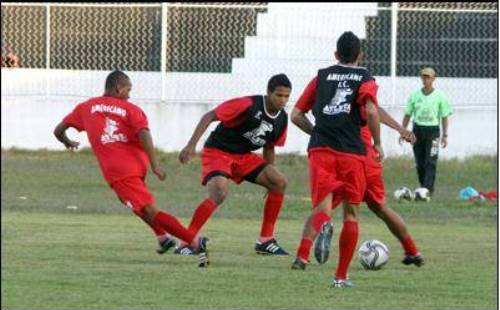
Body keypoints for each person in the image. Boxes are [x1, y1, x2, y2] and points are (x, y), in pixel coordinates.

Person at [53, 70, 209, 267]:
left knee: (150, 210)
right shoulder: (131, 109)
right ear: (118, 88)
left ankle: (194, 242)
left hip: (118, 170)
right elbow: (143, 133)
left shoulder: (85, 107)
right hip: (136, 164)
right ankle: (162, 237)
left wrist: (67, 142)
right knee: (131, 202)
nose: (129, 94)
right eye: (128, 89)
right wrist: (153, 165)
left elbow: (58, 130)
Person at [290, 31, 382, 288]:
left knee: (322, 208)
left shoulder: (321, 76)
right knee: (351, 214)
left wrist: (317, 132)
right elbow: (372, 110)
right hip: (352, 151)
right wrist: (378, 143)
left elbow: (296, 115)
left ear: (335, 54)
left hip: (321, 150)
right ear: (359, 55)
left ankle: (313, 240)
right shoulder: (365, 77)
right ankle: (340, 277)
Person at [177, 74, 291, 256]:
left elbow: (269, 147)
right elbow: (210, 116)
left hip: (243, 156)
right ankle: (186, 241)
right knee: (219, 192)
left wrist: (270, 174)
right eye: (279, 95)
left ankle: (265, 240)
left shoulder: (282, 119)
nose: (283, 100)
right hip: (219, 151)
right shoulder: (248, 104)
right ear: (269, 93)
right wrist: (191, 144)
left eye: (286, 96)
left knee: (279, 182)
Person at [314, 107, 425, 268]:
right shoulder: (361, 89)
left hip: (348, 159)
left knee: (328, 208)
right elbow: (374, 110)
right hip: (369, 161)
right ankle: (412, 251)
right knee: (382, 208)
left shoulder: (337, 92)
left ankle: (304, 255)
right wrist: (400, 129)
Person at [402, 67, 452, 197]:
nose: (425, 79)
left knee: (431, 161)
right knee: (420, 162)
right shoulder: (415, 95)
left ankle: (428, 190)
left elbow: (445, 116)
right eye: (423, 77)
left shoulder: (440, 96)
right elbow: (408, 114)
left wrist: (445, 135)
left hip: (433, 131)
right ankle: (423, 187)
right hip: (417, 131)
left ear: (433, 79)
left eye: (428, 77)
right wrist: (403, 131)